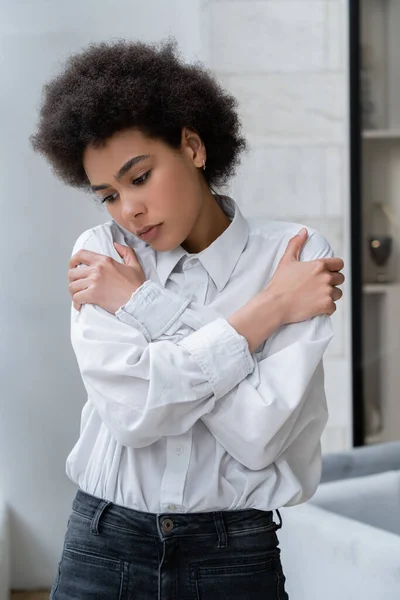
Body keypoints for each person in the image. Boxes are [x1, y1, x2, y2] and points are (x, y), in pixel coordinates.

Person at [31, 39, 344, 600]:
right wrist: (267, 311)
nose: (129, 210)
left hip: (233, 556)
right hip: (103, 546)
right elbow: (132, 417)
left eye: (140, 176)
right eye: (107, 194)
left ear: (193, 147)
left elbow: (257, 435)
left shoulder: (293, 257)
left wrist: (144, 309)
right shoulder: (103, 255)